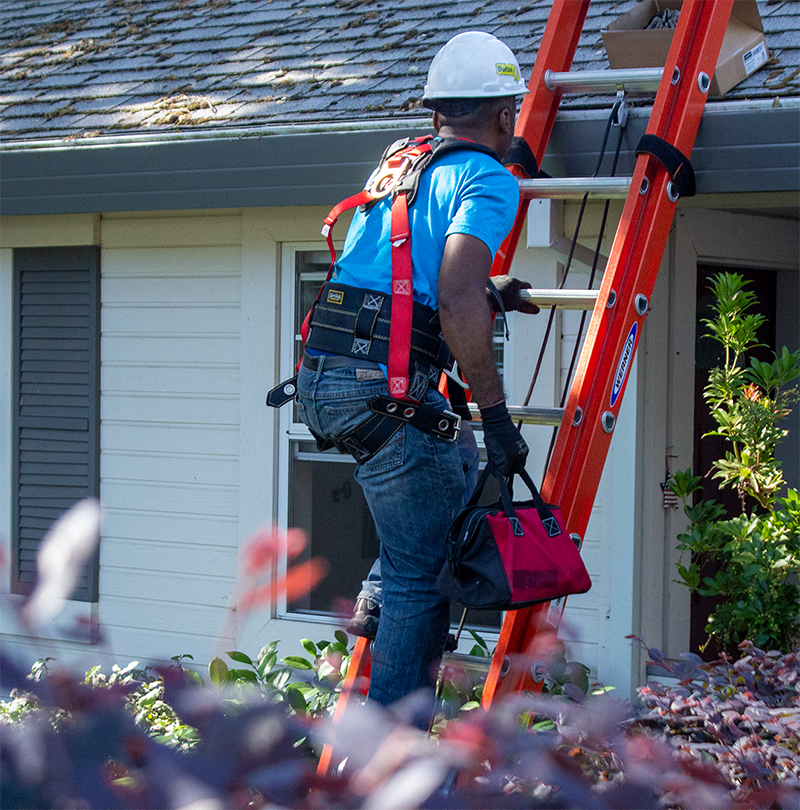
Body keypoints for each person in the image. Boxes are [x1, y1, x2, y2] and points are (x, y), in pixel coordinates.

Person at [296, 31, 536, 708]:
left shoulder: (401, 163)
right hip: (381, 389)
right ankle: (391, 757)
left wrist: (489, 291)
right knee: (425, 576)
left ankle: (378, 596)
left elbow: (408, 277)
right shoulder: (489, 178)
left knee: (451, 460)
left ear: (437, 112)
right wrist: (498, 419)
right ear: (503, 115)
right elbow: (455, 294)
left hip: (325, 377)